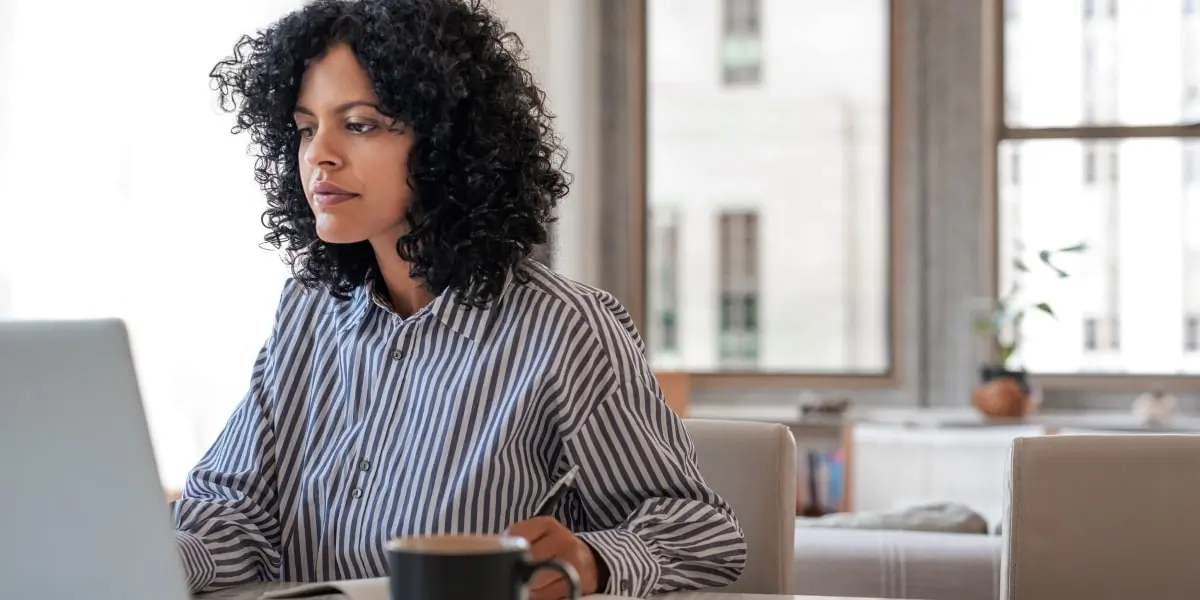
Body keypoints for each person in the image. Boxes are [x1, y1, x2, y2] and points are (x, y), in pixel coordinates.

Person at [172, 0, 746, 598]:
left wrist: (592, 558)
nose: (319, 154)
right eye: (306, 127)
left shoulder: (566, 329)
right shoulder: (307, 311)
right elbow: (235, 515)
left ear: (449, 143)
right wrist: (151, 553)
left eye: (360, 123)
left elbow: (702, 533)